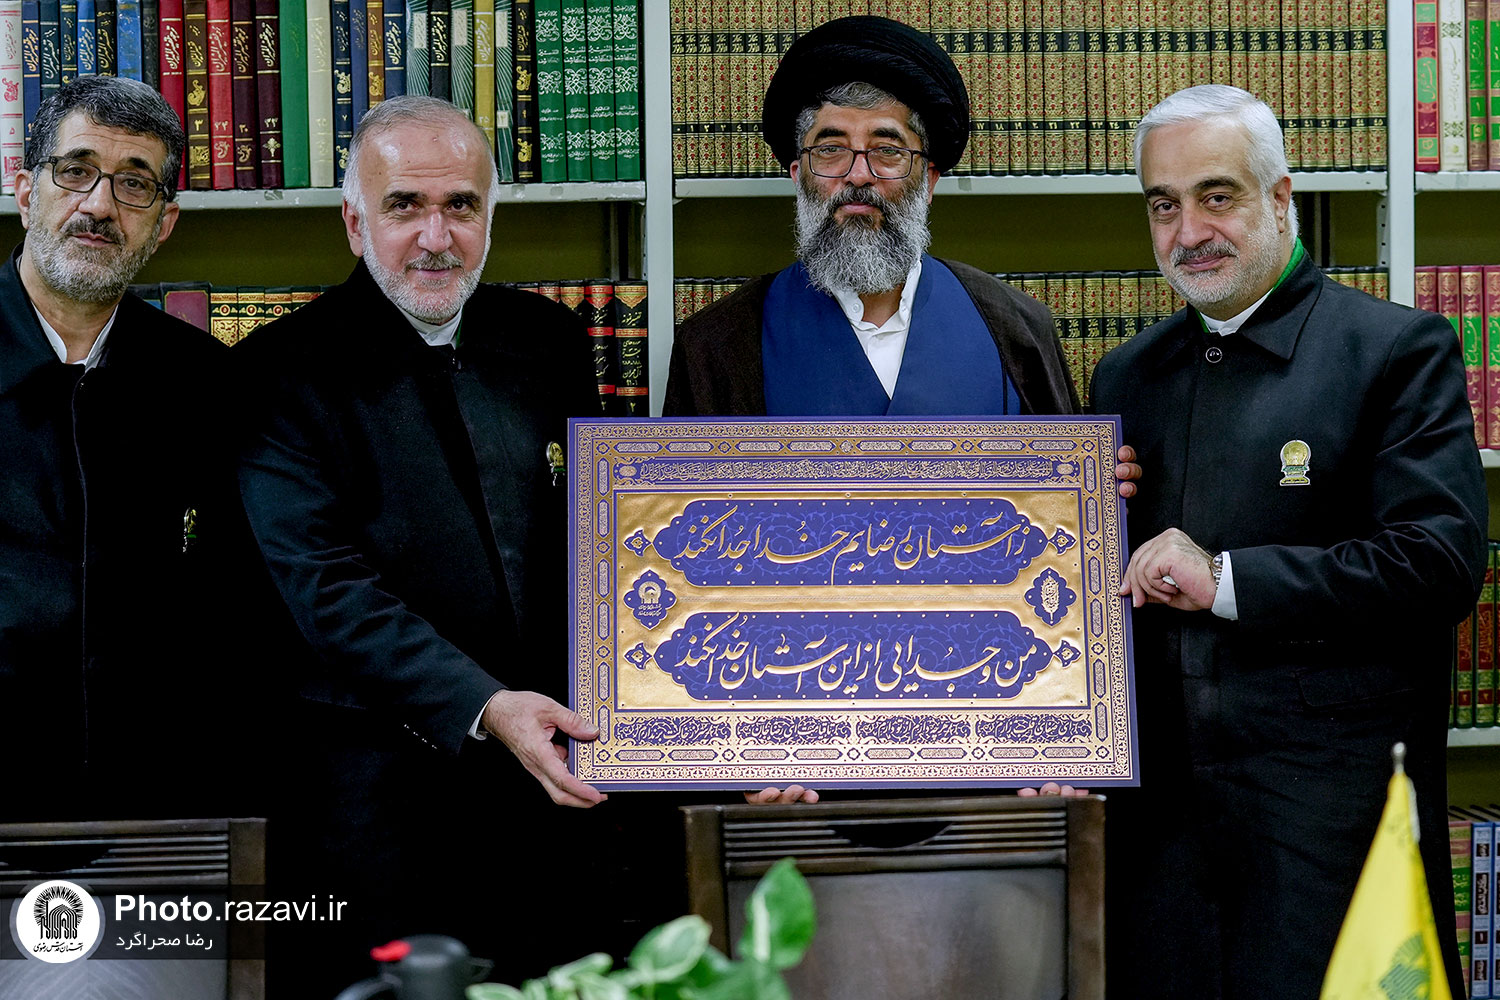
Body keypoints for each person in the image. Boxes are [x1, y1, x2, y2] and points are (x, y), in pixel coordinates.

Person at [1090, 84, 1485, 999]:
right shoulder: (1128, 375)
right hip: (1162, 839)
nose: (1189, 231)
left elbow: (1439, 563)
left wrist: (1226, 579)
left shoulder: (1394, 350)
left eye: (1216, 196)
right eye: (1163, 205)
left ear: (1279, 198)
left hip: (1328, 828)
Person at [232, 95, 608, 990]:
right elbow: (324, 588)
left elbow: (606, 543)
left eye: (461, 206)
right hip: (374, 803)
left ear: (490, 216)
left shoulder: (549, 340)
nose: (436, 238)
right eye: (405, 205)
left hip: (556, 783)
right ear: (355, 223)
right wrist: (487, 706)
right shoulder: (277, 371)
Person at [0, 75, 237, 822]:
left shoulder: (207, 383)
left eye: (134, 184)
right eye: (75, 171)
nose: (99, 205)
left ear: (164, 223)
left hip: (156, 801)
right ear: (25, 191)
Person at [663, 15, 1080, 421]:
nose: (858, 174)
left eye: (887, 150)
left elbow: (1064, 469)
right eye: (830, 149)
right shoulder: (717, 342)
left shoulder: (1018, 328)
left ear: (929, 180)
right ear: (798, 175)